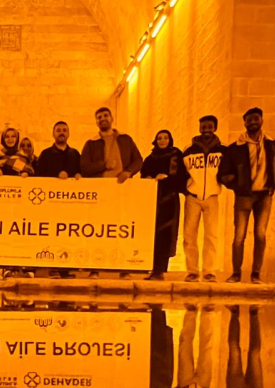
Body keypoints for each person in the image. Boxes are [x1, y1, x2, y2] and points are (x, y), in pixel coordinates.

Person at [219, 107, 275, 283]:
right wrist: (237, 186)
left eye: (256, 119)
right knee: (239, 236)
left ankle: (256, 273)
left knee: (260, 234)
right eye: (249, 120)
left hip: (264, 195)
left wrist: (274, 183)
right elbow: (223, 173)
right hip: (244, 196)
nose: (253, 122)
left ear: (262, 120)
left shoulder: (271, 144)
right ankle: (236, 273)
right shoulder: (235, 148)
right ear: (244, 123)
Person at [181, 115, 225, 282]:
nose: (206, 130)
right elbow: (182, 172)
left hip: (212, 197)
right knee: (189, 235)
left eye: (209, 127)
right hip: (193, 197)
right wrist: (185, 189)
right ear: (199, 128)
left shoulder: (223, 150)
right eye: (203, 127)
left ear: (215, 128)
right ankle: (192, 271)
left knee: (211, 235)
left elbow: (227, 170)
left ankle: (209, 271)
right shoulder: (189, 150)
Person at [140, 129, 187, 280]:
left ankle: (161, 270)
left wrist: (165, 178)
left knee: (165, 234)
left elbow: (180, 175)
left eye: (165, 138)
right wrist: (149, 178)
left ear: (170, 140)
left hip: (169, 199)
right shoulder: (150, 158)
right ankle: (154, 269)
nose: (162, 140)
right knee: (153, 234)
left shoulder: (175, 155)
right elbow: (143, 175)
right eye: (159, 138)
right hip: (153, 200)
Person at [80, 107, 142, 182]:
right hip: (100, 184)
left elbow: (138, 160)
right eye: (99, 117)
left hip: (124, 184)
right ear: (96, 122)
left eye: (106, 115)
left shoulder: (126, 139)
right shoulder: (90, 144)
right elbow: (84, 168)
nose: (103, 119)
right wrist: (104, 165)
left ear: (112, 119)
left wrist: (128, 172)